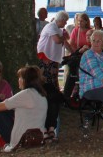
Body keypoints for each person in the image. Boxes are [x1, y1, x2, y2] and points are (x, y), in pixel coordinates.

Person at [35, 9, 70, 140]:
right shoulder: (51, 27)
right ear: (61, 20)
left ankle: (51, 128)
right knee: (50, 91)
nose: (65, 24)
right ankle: (49, 128)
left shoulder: (58, 29)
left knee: (54, 94)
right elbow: (57, 40)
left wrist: (72, 50)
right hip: (46, 61)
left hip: (52, 61)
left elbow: (64, 41)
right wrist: (64, 37)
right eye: (65, 21)